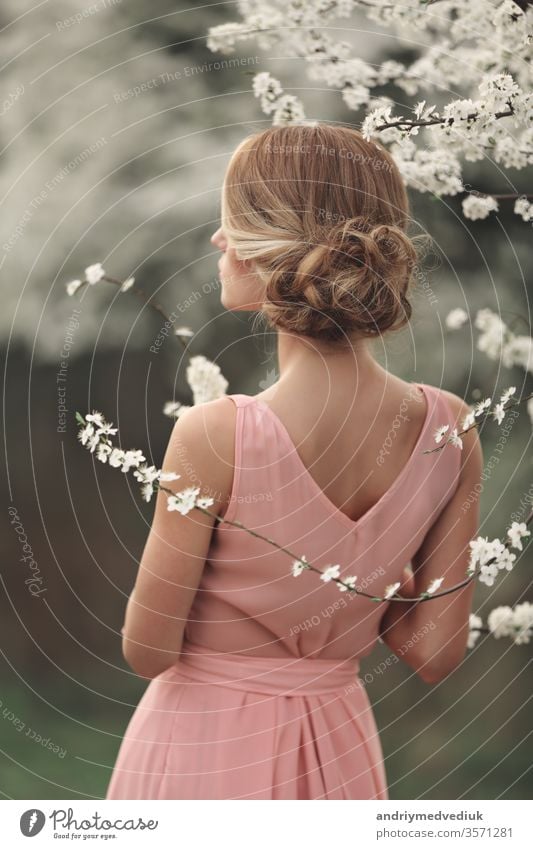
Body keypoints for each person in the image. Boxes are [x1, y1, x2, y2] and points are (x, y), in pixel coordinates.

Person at [106, 123, 483, 800]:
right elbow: (435, 650)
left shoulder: (214, 434)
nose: (218, 240)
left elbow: (147, 649)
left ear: (269, 248)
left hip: (203, 751)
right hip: (337, 748)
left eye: (233, 223)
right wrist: (362, 579)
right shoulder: (448, 428)